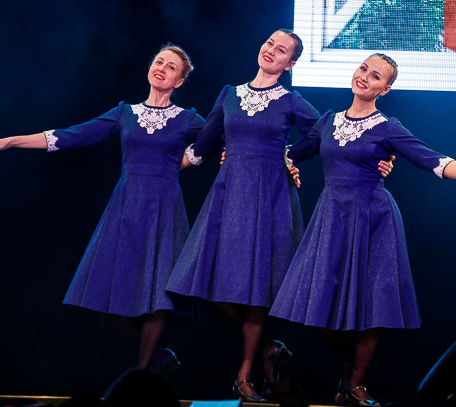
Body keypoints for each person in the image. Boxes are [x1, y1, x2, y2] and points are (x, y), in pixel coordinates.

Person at [269, 53, 456, 407]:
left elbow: (431, 159)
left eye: (376, 76)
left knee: (373, 304)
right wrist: (268, 159)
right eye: (363, 69)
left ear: (384, 89)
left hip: (373, 218)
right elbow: (293, 152)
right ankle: (348, 360)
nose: (365, 77)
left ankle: (356, 384)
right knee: (311, 299)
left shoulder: (388, 127)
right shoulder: (328, 121)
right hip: (332, 217)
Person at [166, 30, 393, 401]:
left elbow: (329, 135)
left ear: (291, 64)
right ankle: (269, 349)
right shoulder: (229, 94)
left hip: (270, 197)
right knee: (203, 280)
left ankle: (244, 376)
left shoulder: (291, 100)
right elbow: (203, 144)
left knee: (257, 290)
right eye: (270, 43)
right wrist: (158, 168)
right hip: (228, 195)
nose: (272, 51)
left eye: (282, 50)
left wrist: (376, 157)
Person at [0, 44, 205, 373]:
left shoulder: (187, 119)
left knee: (158, 297)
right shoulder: (125, 113)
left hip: (164, 208)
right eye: (159, 62)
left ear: (179, 81)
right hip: (126, 207)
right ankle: (155, 357)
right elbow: (72, 135)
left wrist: (192, 159)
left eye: (171, 68)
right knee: (107, 291)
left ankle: (142, 376)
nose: (162, 69)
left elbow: (227, 136)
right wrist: (11, 141)